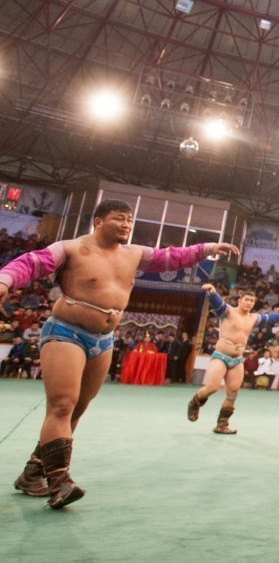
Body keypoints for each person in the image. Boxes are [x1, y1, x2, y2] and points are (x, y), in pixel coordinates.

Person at [0, 199, 238, 508]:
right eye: (119, 218)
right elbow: (31, 262)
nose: (126, 225)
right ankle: (59, 481)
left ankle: (33, 472)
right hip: (66, 332)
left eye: (129, 220)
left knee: (77, 409)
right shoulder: (71, 248)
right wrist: (5, 280)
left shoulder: (133, 253)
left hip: (103, 340)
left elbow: (171, 258)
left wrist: (207, 248)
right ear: (98, 221)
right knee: (62, 405)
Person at [188, 284, 279, 434]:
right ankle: (195, 402)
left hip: (237, 359)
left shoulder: (253, 318)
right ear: (239, 300)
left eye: (252, 301)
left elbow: (270, 317)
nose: (249, 303)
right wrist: (212, 292)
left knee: (233, 392)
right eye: (246, 299)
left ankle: (222, 425)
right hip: (221, 356)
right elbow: (217, 302)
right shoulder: (227, 311)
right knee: (212, 387)